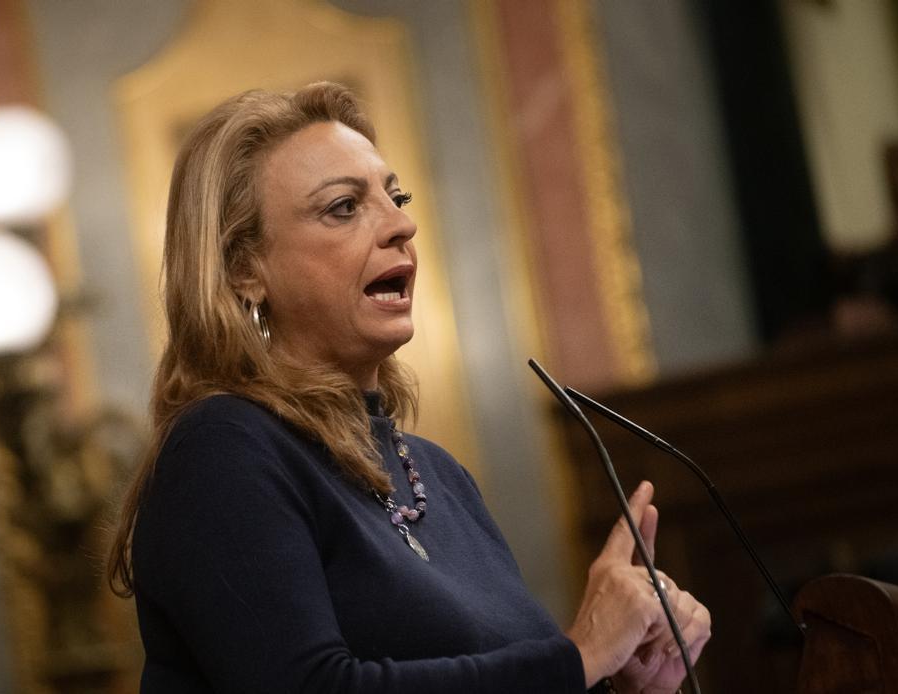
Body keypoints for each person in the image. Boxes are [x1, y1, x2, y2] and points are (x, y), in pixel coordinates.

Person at [106, 82, 711, 693]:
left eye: (396, 197)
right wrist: (579, 658)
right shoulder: (221, 451)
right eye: (343, 207)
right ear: (244, 269)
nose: (402, 224)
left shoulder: (439, 476)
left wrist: (622, 681)